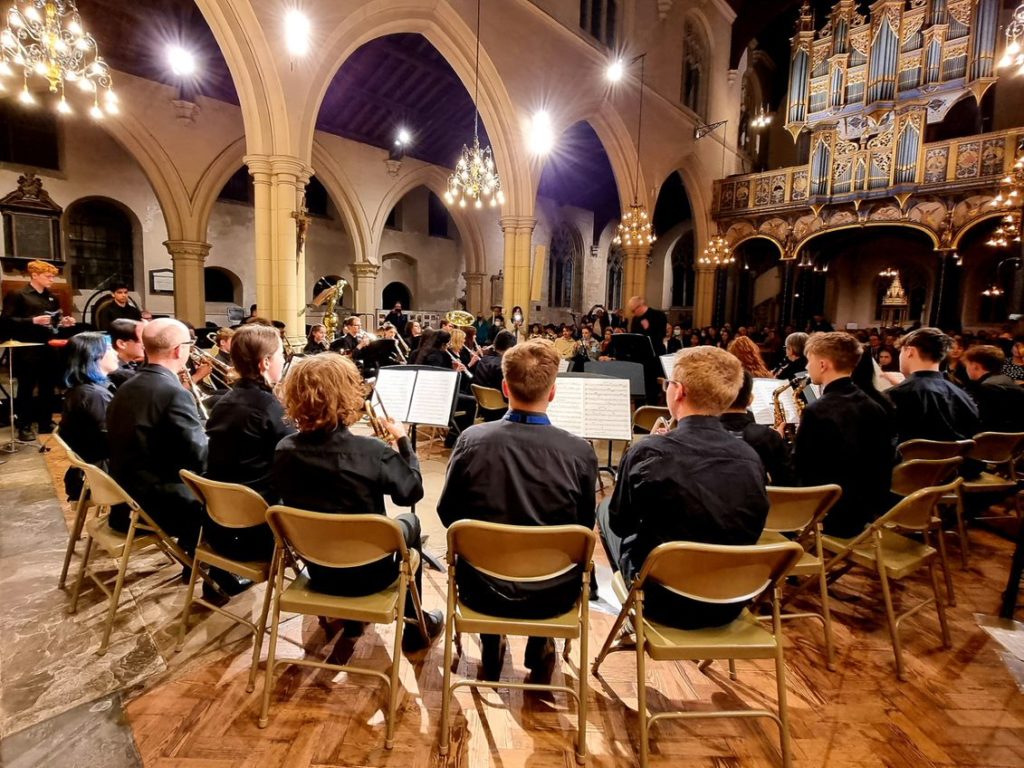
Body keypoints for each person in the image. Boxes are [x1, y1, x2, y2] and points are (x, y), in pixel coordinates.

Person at [437, 339, 598, 680]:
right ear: (552, 392)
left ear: (505, 387)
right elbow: (583, 526)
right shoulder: (579, 451)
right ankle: (541, 642)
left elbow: (448, 513)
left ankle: (491, 639)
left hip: (482, 588)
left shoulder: (472, 440)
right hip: (552, 593)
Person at [273, 354, 443, 652]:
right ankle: (416, 624)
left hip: (318, 570)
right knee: (411, 522)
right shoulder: (371, 451)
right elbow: (410, 493)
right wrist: (403, 442)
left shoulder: (284, 449)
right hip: (372, 576)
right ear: (346, 395)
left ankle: (352, 621)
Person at [597, 346, 769, 629]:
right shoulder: (750, 456)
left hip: (663, 602)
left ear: (678, 391)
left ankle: (630, 608)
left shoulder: (649, 451)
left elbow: (621, 523)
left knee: (605, 510)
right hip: (730, 601)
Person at [106, 319, 239, 592]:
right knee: (232, 497)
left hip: (128, 493)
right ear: (179, 350)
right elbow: (200, 456)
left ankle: (192, 557)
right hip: (158, 503)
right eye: (190, 345)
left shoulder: (127, 386)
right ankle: (222, 577)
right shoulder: (172, 392)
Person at [204, 325, 296, 560]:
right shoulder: (268, 407)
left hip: (221, 518)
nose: (283, 360)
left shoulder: (224, 401)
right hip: (258, 526)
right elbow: (294, 455)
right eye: (280, 355)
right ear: (265, 362)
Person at [794, 332, 894, 537]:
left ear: (823, 364)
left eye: (809, 360)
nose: (806, 367)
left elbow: (802, 466)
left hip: (831, 512)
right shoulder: (874, 405)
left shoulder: (817, 410)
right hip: (867, 509)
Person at [1, 260, 76, 440]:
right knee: (26, 388)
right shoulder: (18, 295)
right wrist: (32, 321)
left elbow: (54, 323)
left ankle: (45, 421)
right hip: (26, 348)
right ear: (34, 275)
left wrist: (63, 322)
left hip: (48, 347)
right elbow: (5, 321)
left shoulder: (52, 297)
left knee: (48, 387)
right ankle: (24, 425)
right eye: (48, 276)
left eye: (53, 276)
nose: (52, 279)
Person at [887, 327, 980, 445]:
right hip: (954, 462)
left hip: (907, 462)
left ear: (910, 351)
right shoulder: (963, 396)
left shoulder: (895, 395)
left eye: (901, 352)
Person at [59, 332, 119, 500]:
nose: (115, 353)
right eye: (109, 349)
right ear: (94, 356)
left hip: (96, 468)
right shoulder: (93, 396)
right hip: (102, 475)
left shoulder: (84, 390)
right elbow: (113, 439)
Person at [720, 371, 794, 485]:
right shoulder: (768, 436)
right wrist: (776, 439)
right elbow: (786, 482)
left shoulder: (702, 433)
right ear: (751, 399)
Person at [962, 345, 1024, 433]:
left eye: (967, 365)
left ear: (975, 366)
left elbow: (980, 421)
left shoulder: (986, 387)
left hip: (993, 441)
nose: (966, 369)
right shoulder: (1007, 379)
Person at [107, 319, 146, 388]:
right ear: (122, 344)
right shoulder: (113, 372)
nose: (146, 345)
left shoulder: (135, 363)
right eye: (142, 340)